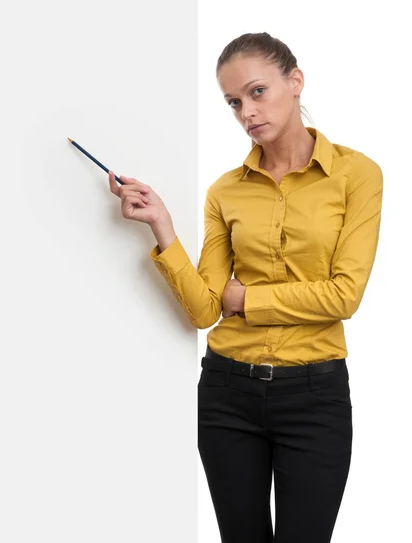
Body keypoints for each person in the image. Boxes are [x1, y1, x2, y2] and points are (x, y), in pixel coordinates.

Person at [107, 32, 383, 542]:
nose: (246, 112)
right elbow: (204, 310)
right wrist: (162, 225)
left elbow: (344, 294)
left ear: (295, 82)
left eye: (257, 92)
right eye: (234, 102)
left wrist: (246, 299)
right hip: (226, 395)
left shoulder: (357, 175)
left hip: (315, 397)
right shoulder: (225, 191)